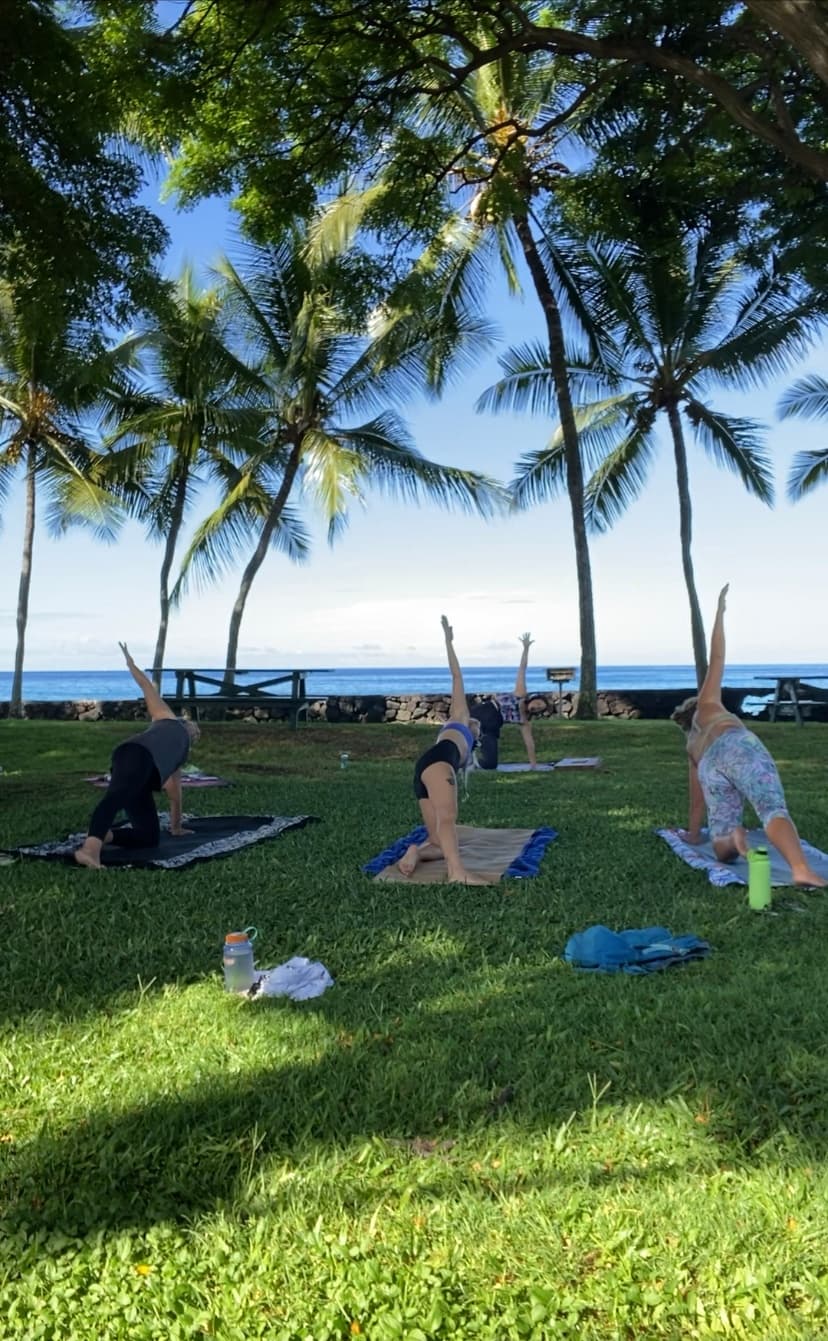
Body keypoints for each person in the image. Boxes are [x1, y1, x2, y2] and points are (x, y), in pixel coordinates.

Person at [671, 584, 826, 887]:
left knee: (721, 849)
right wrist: (720, 613)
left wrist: (692, 834)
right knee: (771, 807)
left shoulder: (692, 746)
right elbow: (717, 658)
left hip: (710, 767)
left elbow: (697, 802)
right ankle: (800, 869)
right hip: (737, 747)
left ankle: (733, 838)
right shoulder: (710, 705)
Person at [74, 643, 200, 869]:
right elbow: (146, 686)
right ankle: (89, 851)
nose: (194, 731)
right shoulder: (166, 718)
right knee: (116, 798)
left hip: (142, 776)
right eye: (193, 728)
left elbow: (175, 796)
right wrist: (130, 663)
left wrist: (176, 827)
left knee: (148, 837)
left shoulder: (177, 755)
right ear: (184, 723)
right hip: (135, 754)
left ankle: (104, 835)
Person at [398, 615, 487, 885]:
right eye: (477, 724)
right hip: (437, 764)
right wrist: (449, 641)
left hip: (425, 769)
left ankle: (415, 851)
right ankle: (457, 873)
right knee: (448, 818)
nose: (477, 726)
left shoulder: (466, 742)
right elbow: (457, 675)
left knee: (438, 841)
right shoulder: (460, 717)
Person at [470, 632, 538, 769]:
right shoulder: (520, 694)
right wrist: (526, 648)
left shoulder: (524, 720)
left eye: (539, 709)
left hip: (493, 726)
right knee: (462, 731)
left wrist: (533, 765)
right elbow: (522, 669)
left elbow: (529, 742)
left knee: (491, 764)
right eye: (537, 703)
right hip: (486, 710)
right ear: (531, 699)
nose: (536, 707)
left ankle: (473, 763)